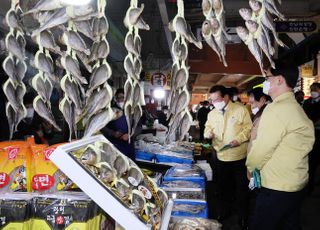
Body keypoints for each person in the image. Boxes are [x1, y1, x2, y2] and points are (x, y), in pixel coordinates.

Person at [246, 62, 315, 230]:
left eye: (267, 78)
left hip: (277, 187)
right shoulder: (295, 108)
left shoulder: (276, 109)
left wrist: (250, 168)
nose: (264, 82)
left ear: (279, 80)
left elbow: (262, 148)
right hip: (295, 183)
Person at [204, 85, 252, 229]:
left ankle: (243, 216)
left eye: (217, 99)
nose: (214, 103)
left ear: (225, 97)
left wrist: (239, 139)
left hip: (238, 156)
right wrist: (208, 133)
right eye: (212, 100)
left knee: (241, 188)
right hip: (221, 156)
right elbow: (208, 127)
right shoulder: (212, 113)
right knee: (223, 187)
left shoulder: (240, 109)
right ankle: (225, 212)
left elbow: (249, 128)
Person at [101, 88, 135, 160]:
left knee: (130, 165)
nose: (120, 100)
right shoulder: (110, 110)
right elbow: (102, 126)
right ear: (115, 98)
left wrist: (130, 134)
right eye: (118, 98)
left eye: (123, 97)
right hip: (115, 144)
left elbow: (139, 127)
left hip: (129, 145)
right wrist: (112, 133)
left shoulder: (132, 110)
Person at [303, 82, 320, 193]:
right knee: (311, 162)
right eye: (311, 89)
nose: (313, 92)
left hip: (319, 132)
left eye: (315, 89)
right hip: (309, 134)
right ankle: (309, 187)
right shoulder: (307, 102)